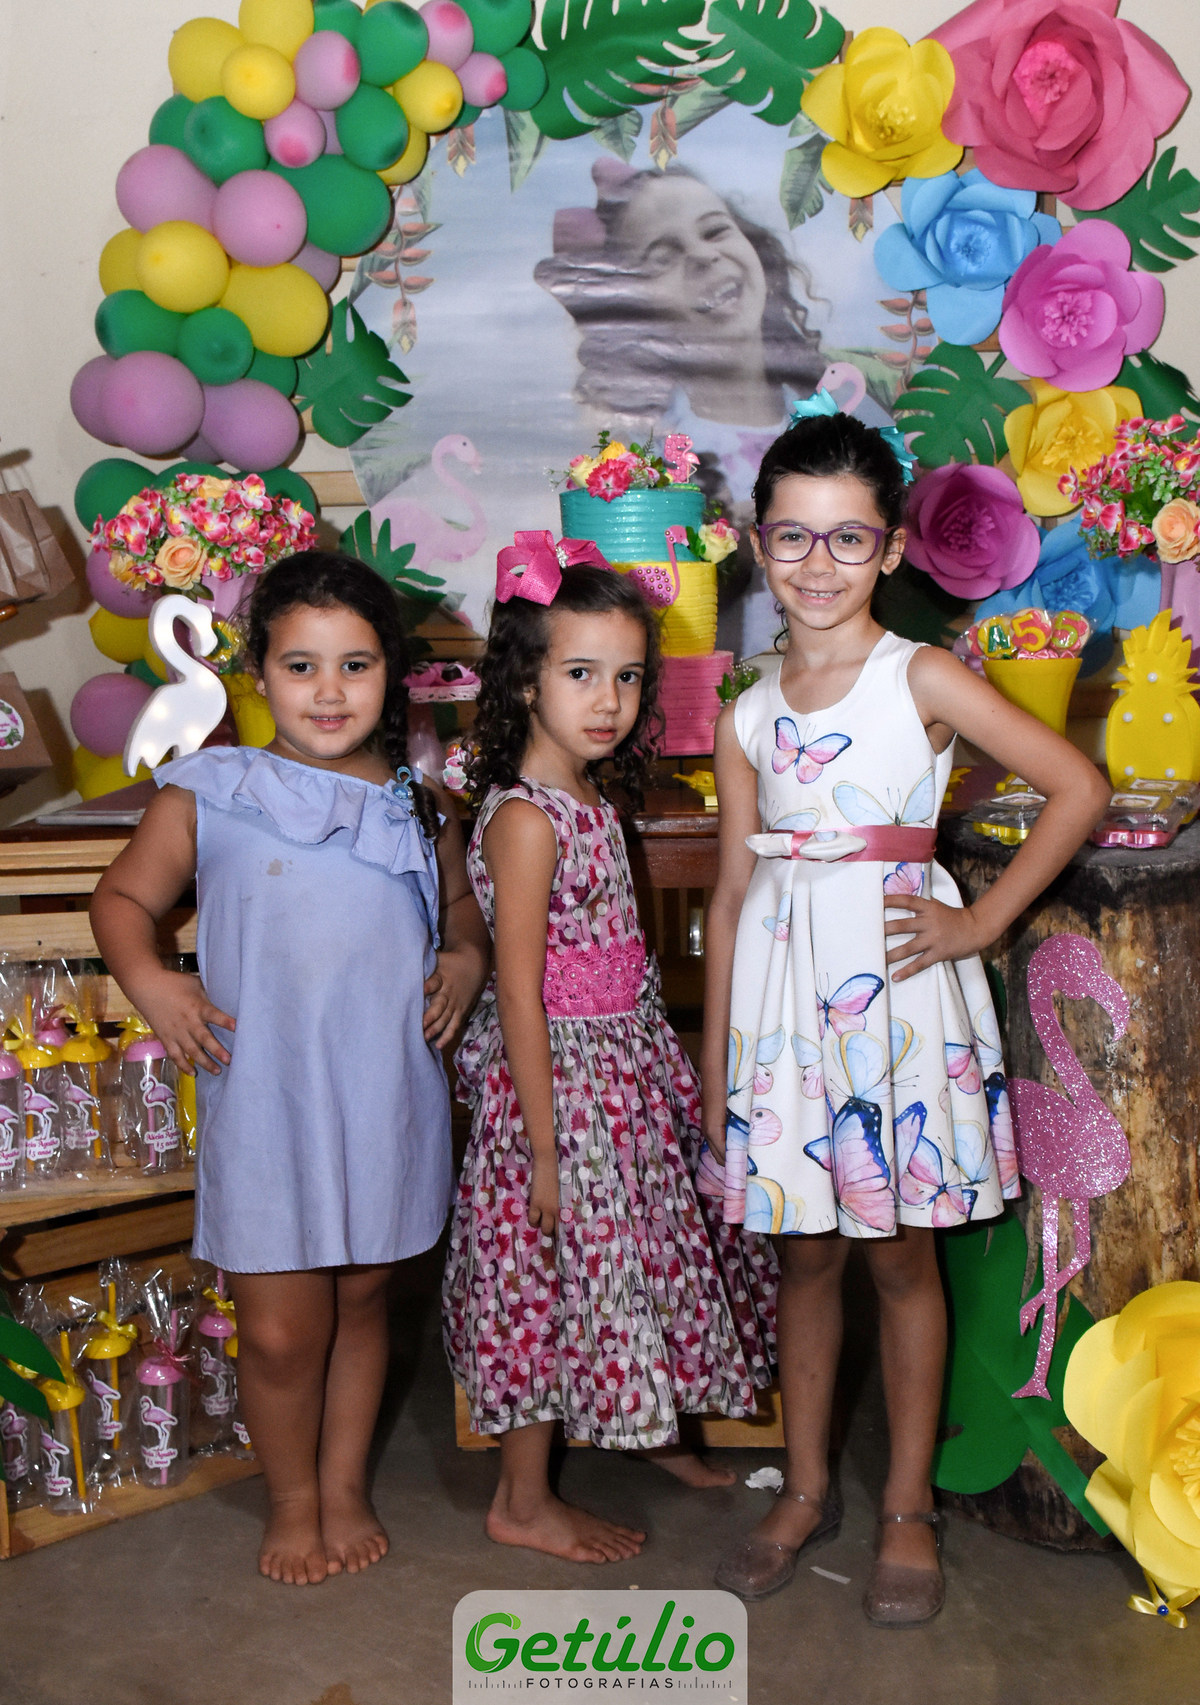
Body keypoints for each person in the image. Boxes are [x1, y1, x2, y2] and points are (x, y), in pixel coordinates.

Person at [700, 414, 1111, 1623]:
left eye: (848, 538)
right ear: (758, 545)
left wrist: (978, 926)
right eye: (793, 536)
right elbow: (728, 890)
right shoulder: (746, 706)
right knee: (804, 1252)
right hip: (783, 1015)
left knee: (897, 1254)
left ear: (888, 551)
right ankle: (805, 1488)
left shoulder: (919, 676)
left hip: (892, 1003)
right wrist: (722, 1063)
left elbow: (1076, 786)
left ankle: (905, 1507)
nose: (817, 563)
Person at [91, 551, 489, 1587]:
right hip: (265, 1097)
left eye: (356, 665)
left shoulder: (421, 808)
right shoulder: (210, 792)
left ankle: (345, 1485)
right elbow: (121, 900)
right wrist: (155, 983)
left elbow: (460, 917)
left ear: (392, 672)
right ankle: (294, 1499)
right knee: (276, 1332)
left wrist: (462, 959)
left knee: (362, 1301)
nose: (328, 690)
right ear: (257, 673)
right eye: (300, 665)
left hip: (384, 1097)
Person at [442, 548, 777, 1564]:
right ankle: (521, 1495)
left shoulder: (589, 799)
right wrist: (545, 1151)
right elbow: (519, 993)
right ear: (525, 680)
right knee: (552, 1277)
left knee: (634, 1256)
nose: (609, 701)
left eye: (628, 676)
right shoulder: (525, 819)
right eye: (581, 673)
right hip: (559, 1090)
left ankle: (650, 1419)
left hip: (620, 1070)